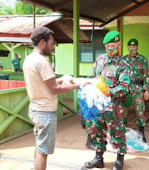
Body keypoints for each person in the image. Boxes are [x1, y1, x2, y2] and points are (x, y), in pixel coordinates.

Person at [23, 27, 83, 170]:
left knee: (40, 146)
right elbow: (54, 88)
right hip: (45, 112)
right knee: (43, 152)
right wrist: (77, 85)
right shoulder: (42, 62)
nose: (53, 46)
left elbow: (46, 83)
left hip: (35, 109)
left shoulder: (29, 59)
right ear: (42, 42)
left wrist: (62, 79)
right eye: (52, 43)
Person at [84, 31, 130, 170]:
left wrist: (109, 92)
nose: (110, 48)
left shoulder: (123, 64)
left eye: (113, 45)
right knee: (98, 131)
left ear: (119, 45)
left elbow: (125, 86)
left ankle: (119, 161)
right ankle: (98, 159)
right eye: (107, 46)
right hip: (98, 105)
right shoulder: (99, 60)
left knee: (117, 132)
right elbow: (93, 78)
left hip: (114, 105)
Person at [123, 38, 149, 142]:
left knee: (140, 111)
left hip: (138, 89)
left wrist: (146, 90)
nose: (132, 49)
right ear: (127, 47)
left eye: (134, 47)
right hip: (126, 89)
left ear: (137, 47)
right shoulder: (124, 59)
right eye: (130, 47)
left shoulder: (142, 59)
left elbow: (146, 75)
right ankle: (123, 131)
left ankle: (142, 133)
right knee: (124, 111)